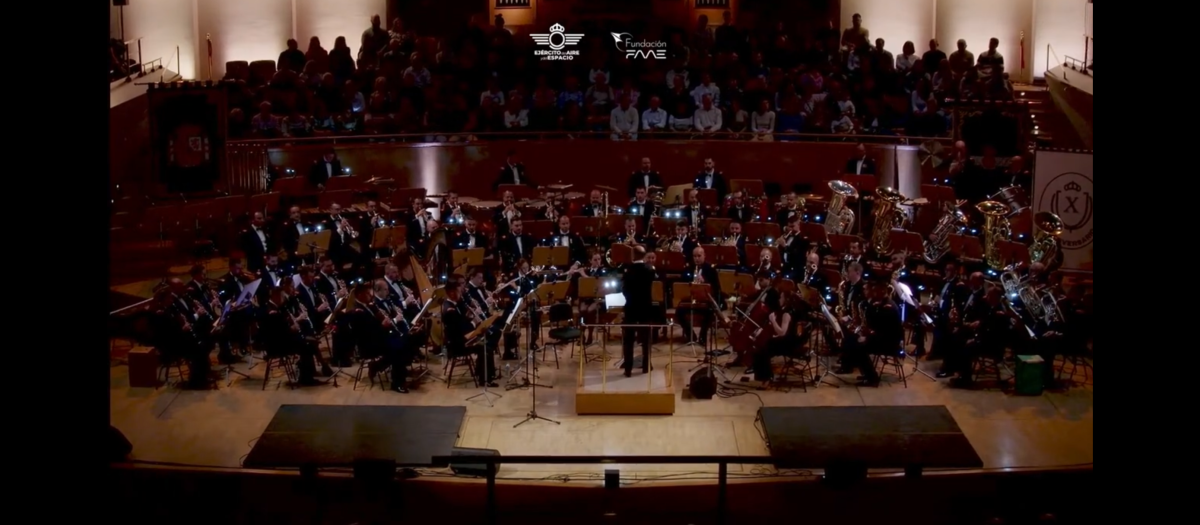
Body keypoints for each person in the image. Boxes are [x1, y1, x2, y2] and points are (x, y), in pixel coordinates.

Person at [442, 280, 498, 386]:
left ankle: (482, 372)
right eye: (459, 291)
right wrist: (473, 322)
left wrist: (469, 316)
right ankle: (485, 379)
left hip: (461, 338)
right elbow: (460, 330)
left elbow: (460, 321)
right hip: (457, 344)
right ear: (452, 292)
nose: (461, 294)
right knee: (486, 347)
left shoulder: (454, 304)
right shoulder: (449, 309)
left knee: (486, 340)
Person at [752, 289, 804, 382]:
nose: (779, 299)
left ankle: (766, 377)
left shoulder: (786, 314)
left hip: (788, 344)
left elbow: (782, 332)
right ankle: (764, 376)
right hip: (789, 340)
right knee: (763, 347)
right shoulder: (789, 310)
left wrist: (773, 320)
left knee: (763, 349)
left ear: (786, 299)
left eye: (781, 297)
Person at [621, 252, 656, 376]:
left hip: (631, 308)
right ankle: (646, 367)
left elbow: (624, 290)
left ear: (632, 256)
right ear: (643, 256)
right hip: (645, 308)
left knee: (629, 339)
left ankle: (628, 369)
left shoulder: (627, 271)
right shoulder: (650, 270)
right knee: (646, 339)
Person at [678, 247, 722, 345]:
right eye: (694, 256)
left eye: (699, 256)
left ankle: (702, 337)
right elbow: (682, 284)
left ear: (704, 256)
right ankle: (691, 335)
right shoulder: (688, 268)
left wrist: (704, 282)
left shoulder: (711, 270)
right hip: (691, 300)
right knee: (679, 311)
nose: (696, 258)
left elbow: (716, 288)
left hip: (705, 301)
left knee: (709, 312)